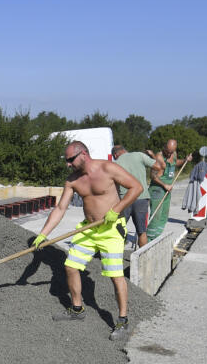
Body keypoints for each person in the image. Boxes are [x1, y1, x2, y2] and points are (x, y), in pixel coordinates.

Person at [30, 141, 143, 342]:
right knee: (71, 266)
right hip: (88, 229)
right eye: (66, 161)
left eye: (70, 160)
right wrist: (43, 234)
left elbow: (137, 187)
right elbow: (60, 209)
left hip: (111, 230)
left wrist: (116, 210)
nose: (68, 164)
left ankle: (123, 320)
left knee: (115, 275)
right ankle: (77, 309)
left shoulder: (108, 168)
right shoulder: (72, 180)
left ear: (83, 154)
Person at [111, 145, 163, 248]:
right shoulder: (139, 155)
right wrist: (152, 156)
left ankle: (117, 256)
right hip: (141, 198)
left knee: (119, 229)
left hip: (124, 200)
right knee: (142, 231)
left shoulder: (115, 164)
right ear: (125, 150)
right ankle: (142, 257)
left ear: (115, 154)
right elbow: (158, 166)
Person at [146, 139, 193, 241]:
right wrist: (164, 185)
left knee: (164, 215)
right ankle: (149, 239)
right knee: (156, 215)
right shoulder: (159, 157)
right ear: (164, 147)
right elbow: (152, 176)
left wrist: (185, 160)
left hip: (167, 189)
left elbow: (176, 163)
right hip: (157, 189)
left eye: (171, 151)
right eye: (167, 151)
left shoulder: (174, 154)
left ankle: (157, 237)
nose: (169, 153)